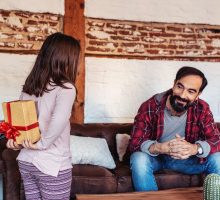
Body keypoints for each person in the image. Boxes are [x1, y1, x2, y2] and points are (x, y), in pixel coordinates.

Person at [6, 32, 80, 200]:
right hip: (51, 163)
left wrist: (17, 143)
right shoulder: (66, 88)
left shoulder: (31, 85)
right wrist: (42, 144)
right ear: (66, 58)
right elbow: (58, 120)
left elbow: (21, 120)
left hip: (26, 161)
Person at [129, 66, 220, 191]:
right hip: (157, 158)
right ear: (174, 84)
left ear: (198, 95)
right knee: (138, 158)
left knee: (218, 158)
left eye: (191, 91)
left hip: (187, 160)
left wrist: (195, 148)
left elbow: (216, 139)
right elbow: (134, 143)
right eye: (180, 87)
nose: (182, 95)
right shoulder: (150, 106)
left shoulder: (202, 109)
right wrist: (160, 147)